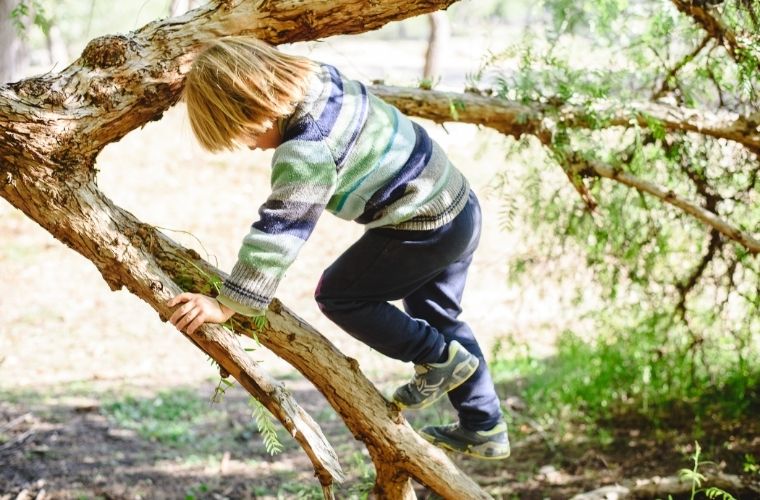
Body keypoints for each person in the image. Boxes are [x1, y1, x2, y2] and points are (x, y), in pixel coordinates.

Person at [166, 36, 510, 460]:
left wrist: (228, 304)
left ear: (254, 110)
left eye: (244, 135)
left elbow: (280, 231)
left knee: (341, 294)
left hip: (425, 225)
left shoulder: (307, 150)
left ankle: (436, 358)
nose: (251, 147)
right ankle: (484, 425)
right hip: (457, 203)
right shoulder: (320, 80)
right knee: (440, 315)